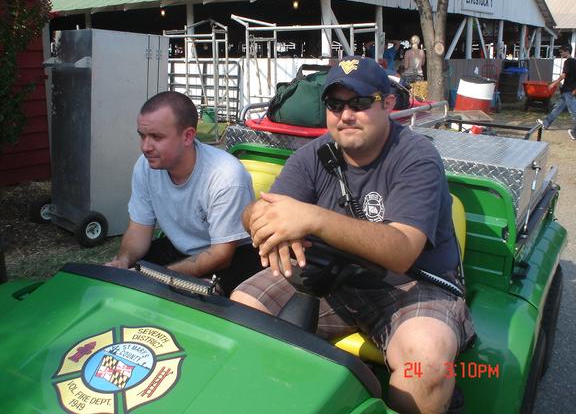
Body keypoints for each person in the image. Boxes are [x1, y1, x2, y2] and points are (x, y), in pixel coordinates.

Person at [230, 57, 474, 414]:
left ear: (388, 104)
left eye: (359, 103)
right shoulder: (313, 155)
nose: (346, 115)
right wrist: (260, 220)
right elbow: (259, 210)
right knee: (241, 311)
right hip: (331, 278)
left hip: (409, 284)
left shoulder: (415, 157)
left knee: (426, 364)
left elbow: (403, 250)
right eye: (335, 104)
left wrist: (312, 218)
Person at [106, 91, 261, 294]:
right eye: (142, 136)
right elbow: (138, 230)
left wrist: (160, 276)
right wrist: (123, 260)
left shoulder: (226, 176)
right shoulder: (145, 167)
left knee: (188, 298)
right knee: (121, 282)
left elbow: (221, 255)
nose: (145, 147)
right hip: (180, 248)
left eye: (156, 137)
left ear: (188, 136)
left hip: (232, 257)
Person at [537, 44, 576, 140]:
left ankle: (575, 133)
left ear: (567, 51)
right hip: (568, 90)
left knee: (574, 112)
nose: (561, 53)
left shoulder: (568, 62)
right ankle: (546, 123)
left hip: (569, 91)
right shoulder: (575, 62)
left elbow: (563, 75)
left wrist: (554, 83)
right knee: (557, 108)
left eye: (561, 51)